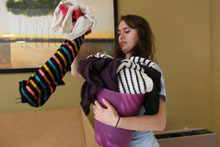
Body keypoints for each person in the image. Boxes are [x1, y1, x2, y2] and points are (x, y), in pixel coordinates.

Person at [71, 14, 166, 147]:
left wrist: (116, 121)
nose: (121, 37)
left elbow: (160, 123)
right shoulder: (110, 68)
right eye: (119, 33)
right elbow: (76, 71)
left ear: (142, 35)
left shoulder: (150, 71)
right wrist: (73, 38)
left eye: (127, 31)